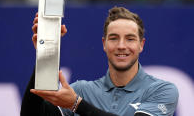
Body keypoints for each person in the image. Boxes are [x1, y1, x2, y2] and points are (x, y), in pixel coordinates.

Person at [20, 6, 179, 116]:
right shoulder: (81, 90)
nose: (121, 46)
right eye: (114, 38)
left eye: (130, 39)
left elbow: (76, 103)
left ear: (141, 45)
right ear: (104, 44)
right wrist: (46, 54)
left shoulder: (162, 90)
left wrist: (77, 104)